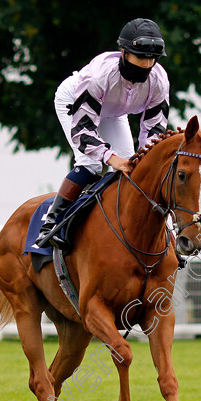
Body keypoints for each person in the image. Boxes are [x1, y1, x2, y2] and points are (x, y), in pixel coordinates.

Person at [36, 18, 170, 248]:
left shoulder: (159, 80)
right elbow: (83, 129)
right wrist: (110, 157)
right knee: (91, 164)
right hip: (75, 102)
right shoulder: (99, 74)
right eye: (141, 57)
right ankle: (51, 224)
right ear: (123, 53)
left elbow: (154, 129)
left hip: (114, 111)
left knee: (132, 167)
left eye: (151, 58)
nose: (147, 65)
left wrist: (146, 158)